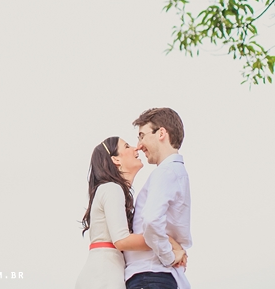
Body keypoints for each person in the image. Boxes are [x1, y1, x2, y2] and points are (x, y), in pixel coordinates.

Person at [75, 137, 183, 289]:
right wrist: (170, 244)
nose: (136, 148)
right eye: (126, 146)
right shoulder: (112, 188)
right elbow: (122, 240)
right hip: (103, 276)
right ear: (116, 159)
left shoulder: (112, 191)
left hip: (105, 273)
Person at [124, 108, 191, 289]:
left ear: (161, 133)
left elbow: (152, 220)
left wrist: (168, 256)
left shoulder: (166, 172)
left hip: (150, 275)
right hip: (156, 277)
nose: (138, 145)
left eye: (142, 136)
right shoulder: (174, 172)